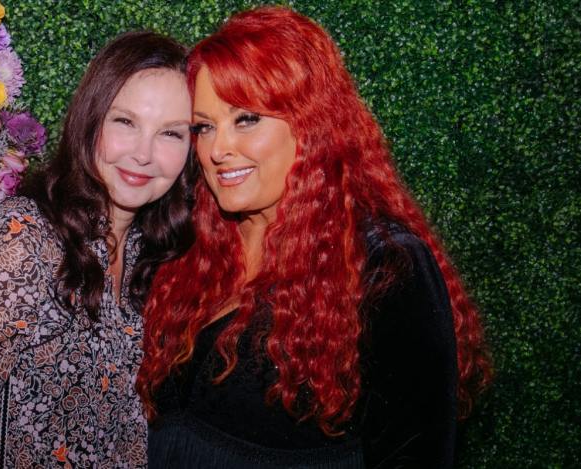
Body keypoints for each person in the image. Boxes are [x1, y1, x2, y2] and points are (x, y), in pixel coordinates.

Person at [136, 7, 492, 469]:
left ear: (310, 124)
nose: (217, 149)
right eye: (204, 126)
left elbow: (415, 454)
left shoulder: (386, 265)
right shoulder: (191, 245)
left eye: (246, 119)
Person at [0, 31, 195, 468]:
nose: (144, 153)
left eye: (171, 133)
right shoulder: (21, 239)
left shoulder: (154, 254)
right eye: (125, 122)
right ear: (90, 120)